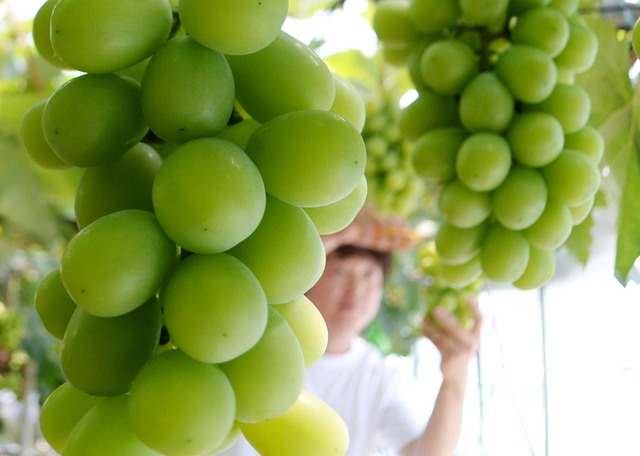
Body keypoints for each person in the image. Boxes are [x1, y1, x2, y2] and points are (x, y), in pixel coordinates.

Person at [221, 207, 483, 456]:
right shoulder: (258, 334)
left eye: (369, 274)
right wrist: (343, 233)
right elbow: (277, 273)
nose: (356, 288)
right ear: (311, 276)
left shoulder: (380, 376)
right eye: (341, 271)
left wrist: (455, 382)